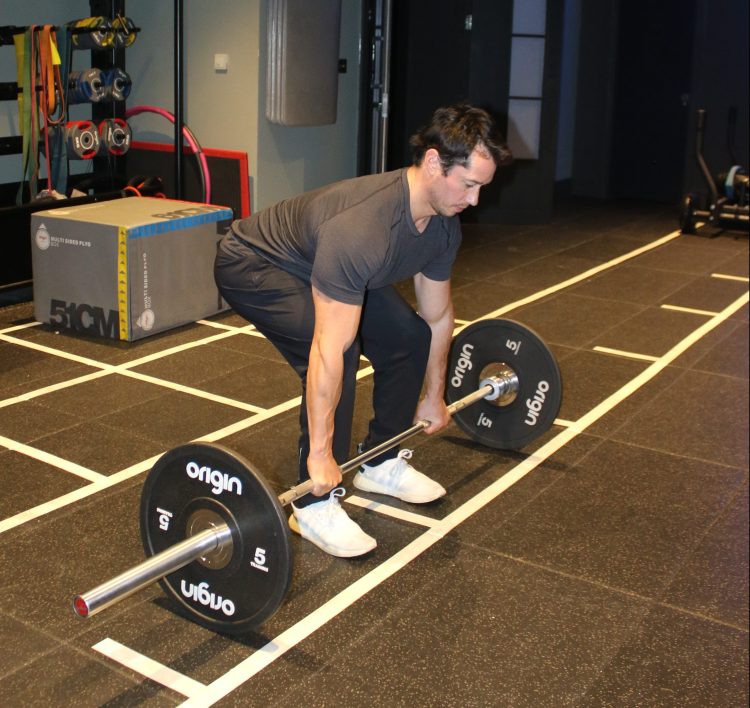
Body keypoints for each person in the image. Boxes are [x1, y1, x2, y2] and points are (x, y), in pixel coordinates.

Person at [214, 103, 512, 557]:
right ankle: (312, 507)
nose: (473, 201)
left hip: (323, 262)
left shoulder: (442, 229)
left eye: (480, 189)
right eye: (469, 184)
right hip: (256, 263)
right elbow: (328, 350)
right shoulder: (364, 227)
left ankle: (381, 460)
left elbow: (436, 318)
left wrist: (433, 394)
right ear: (434, 163)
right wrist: (320, 454)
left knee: (409, 337)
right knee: (343, 352)